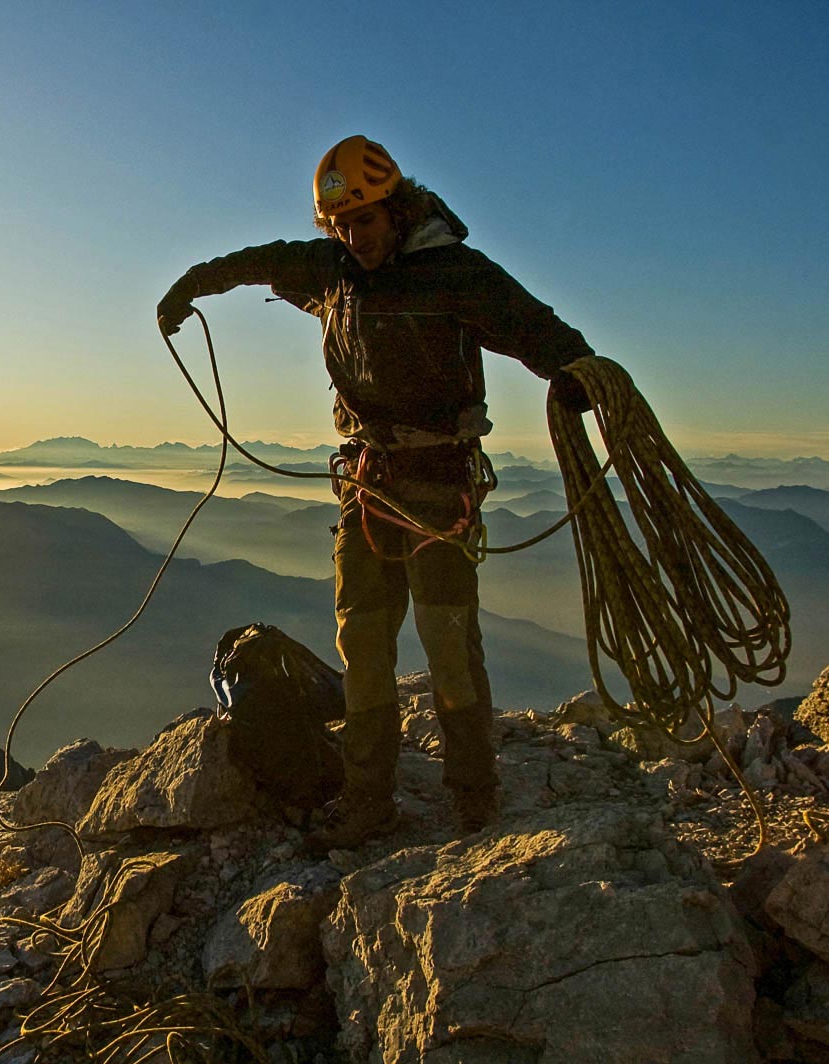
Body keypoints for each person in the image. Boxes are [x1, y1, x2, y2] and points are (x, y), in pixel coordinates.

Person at [157, 135, 594, 847]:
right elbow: (257, 261)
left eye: (366, 221)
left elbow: (532, 325)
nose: (355, 237)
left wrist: (575, 368)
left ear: (396, 210)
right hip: (367, 485)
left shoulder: (452, 272)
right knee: (362, 643)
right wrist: (189, 288)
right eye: (342, 225)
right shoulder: (331, 271)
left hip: (437, 485)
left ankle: (474, 799)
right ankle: (367, 801)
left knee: (448, 645)